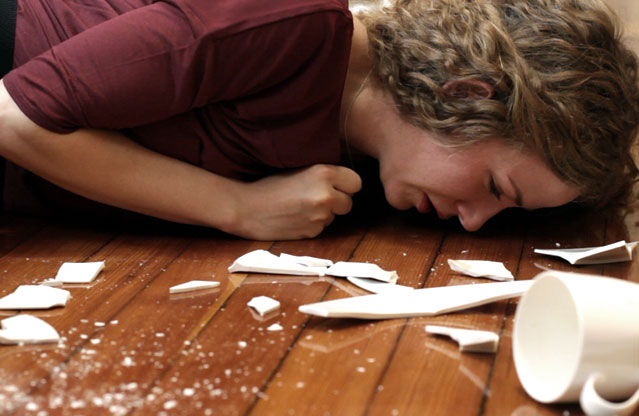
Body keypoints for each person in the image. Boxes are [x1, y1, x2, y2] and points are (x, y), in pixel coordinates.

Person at [0, 0, 637, 240]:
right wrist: (237, 208)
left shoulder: (376, 169)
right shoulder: (296, 23)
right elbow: (13, 118)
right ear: (466, 94)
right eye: (495, 188)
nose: (474, 221)